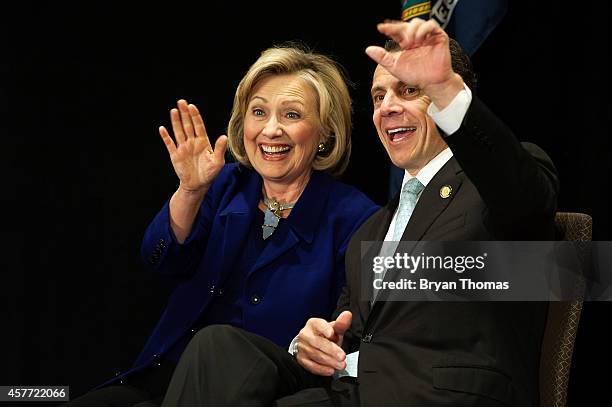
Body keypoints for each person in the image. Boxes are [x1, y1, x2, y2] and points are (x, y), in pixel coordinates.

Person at [155, 18, 559, 407]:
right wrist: (313, 342)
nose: (387, 107)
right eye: (379, 96)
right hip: (348, 390)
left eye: (409, 90)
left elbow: (526, 201)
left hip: (440, 393)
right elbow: (350, 333)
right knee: (217, 347)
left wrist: (446, 90)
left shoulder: (496, 186)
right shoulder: (372, 229)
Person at [63, 44, 378, 406]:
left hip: (270, 390)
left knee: (217, 343)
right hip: (166, 379)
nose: (271, 130)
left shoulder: (356, 218)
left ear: (325, 131)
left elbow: (352, 332)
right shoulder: (225, 184)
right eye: (259, 112)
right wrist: (190, 191)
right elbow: (160, 259)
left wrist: (324, 339)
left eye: (291, 115)